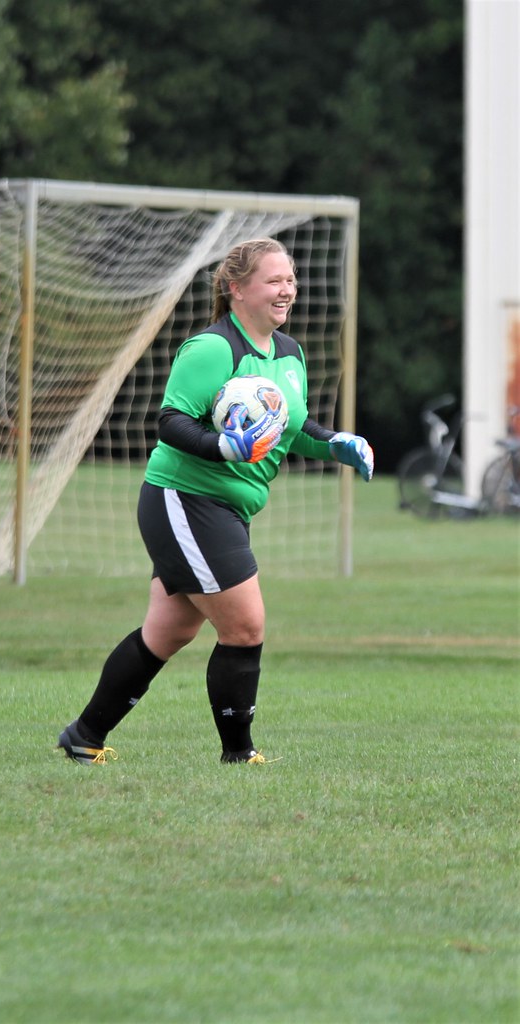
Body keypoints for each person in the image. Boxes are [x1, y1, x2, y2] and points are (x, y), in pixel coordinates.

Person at [57, 238, 374, 765]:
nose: (287, 289)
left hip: (225, 509)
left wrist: (336, 443)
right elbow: (171, 421)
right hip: (186, 499)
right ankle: (238, 754)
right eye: (274, 280)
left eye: (290, 280)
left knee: (169, 631)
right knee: (245, 625)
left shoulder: (289, 354)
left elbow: (291, 429)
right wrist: (222, 446)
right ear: (236, 289)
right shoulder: (212, 348)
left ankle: (83, 736)